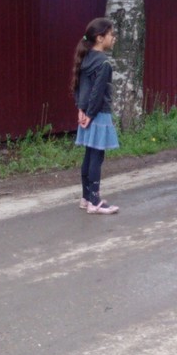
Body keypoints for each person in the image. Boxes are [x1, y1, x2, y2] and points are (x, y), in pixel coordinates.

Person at [73, 17, 120, 214]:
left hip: (87, 113)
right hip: (98, 115)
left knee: (89, 155)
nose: (114, 38)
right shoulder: (104, 63)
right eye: (111, 34)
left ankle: (86, 198)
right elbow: (97, 92)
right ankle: (95, 202)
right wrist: (91, 114)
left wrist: (81, 110)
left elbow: (79, 88)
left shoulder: (85, 58)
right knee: (96, 158)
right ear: (100, 38)